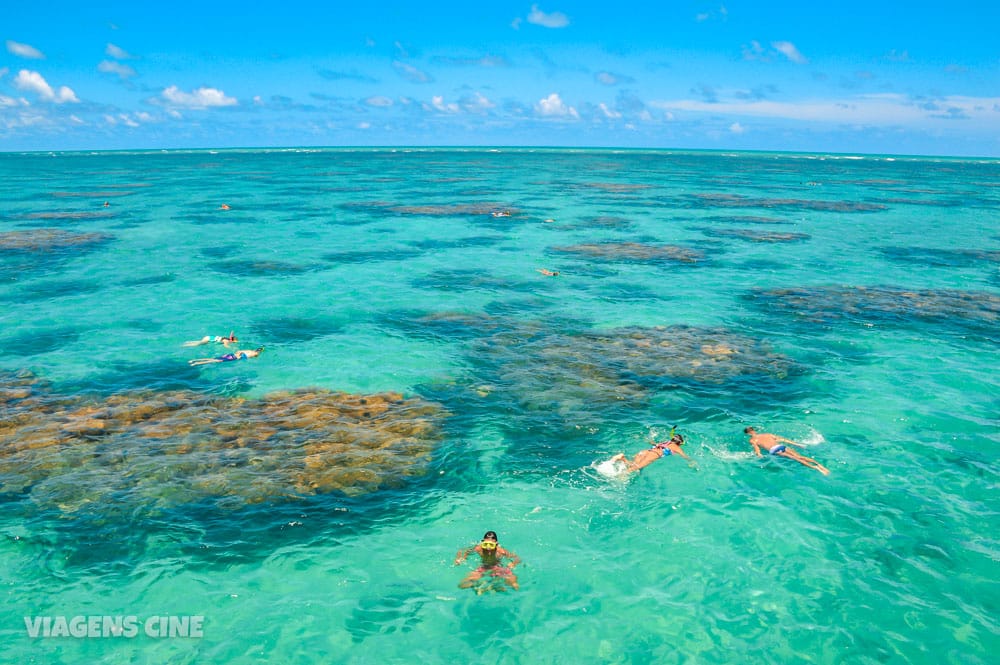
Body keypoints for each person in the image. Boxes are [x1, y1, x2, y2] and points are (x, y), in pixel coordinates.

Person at [744, 427, 829, 475]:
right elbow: (783, 439)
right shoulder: (767, 434)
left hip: (774, 450)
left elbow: (757, 449)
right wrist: (797, 444)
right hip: (780, 446)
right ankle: (819, 465)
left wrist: (759, 455)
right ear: (754, 430)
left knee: (796, 459)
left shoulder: (752, 440)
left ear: (748, 434)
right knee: (800, 456)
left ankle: (816, 468)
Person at [455, 530, 520, 591]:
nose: (488, 548)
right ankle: (485, 586)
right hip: (483, 567)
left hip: (498, 568)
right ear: (482, 542)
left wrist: (513, 564)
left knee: (514, 585)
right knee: (463, 585)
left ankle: (494, 586)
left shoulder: (501, 551)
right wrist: (461, 558)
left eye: (491, 545)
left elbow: (517, 558)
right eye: (485, 544)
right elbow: (463, 551)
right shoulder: (478, 548)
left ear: (496, 544)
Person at [610, 432, 693, 473]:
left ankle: (622, 457)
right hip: (653, 455)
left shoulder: (666, 442)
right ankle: (620, 478)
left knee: (632, 465)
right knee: (635, 468)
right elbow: (684, 456)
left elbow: (654, 444)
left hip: (645, 451)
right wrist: (692, 461)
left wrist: (649, 440)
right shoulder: (676, 447)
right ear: (679, 443)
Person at [188, 347, 263, 366]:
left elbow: (238, 351)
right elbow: (241, 356)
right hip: (233, 358)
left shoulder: (249, 350)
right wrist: (240, 357)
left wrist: (238, 355)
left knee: (213, 359)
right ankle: (196, 363)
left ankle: (194, 360)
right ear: (258, 352)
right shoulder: (255, 354)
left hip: (231, 355)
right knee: (215, 361)